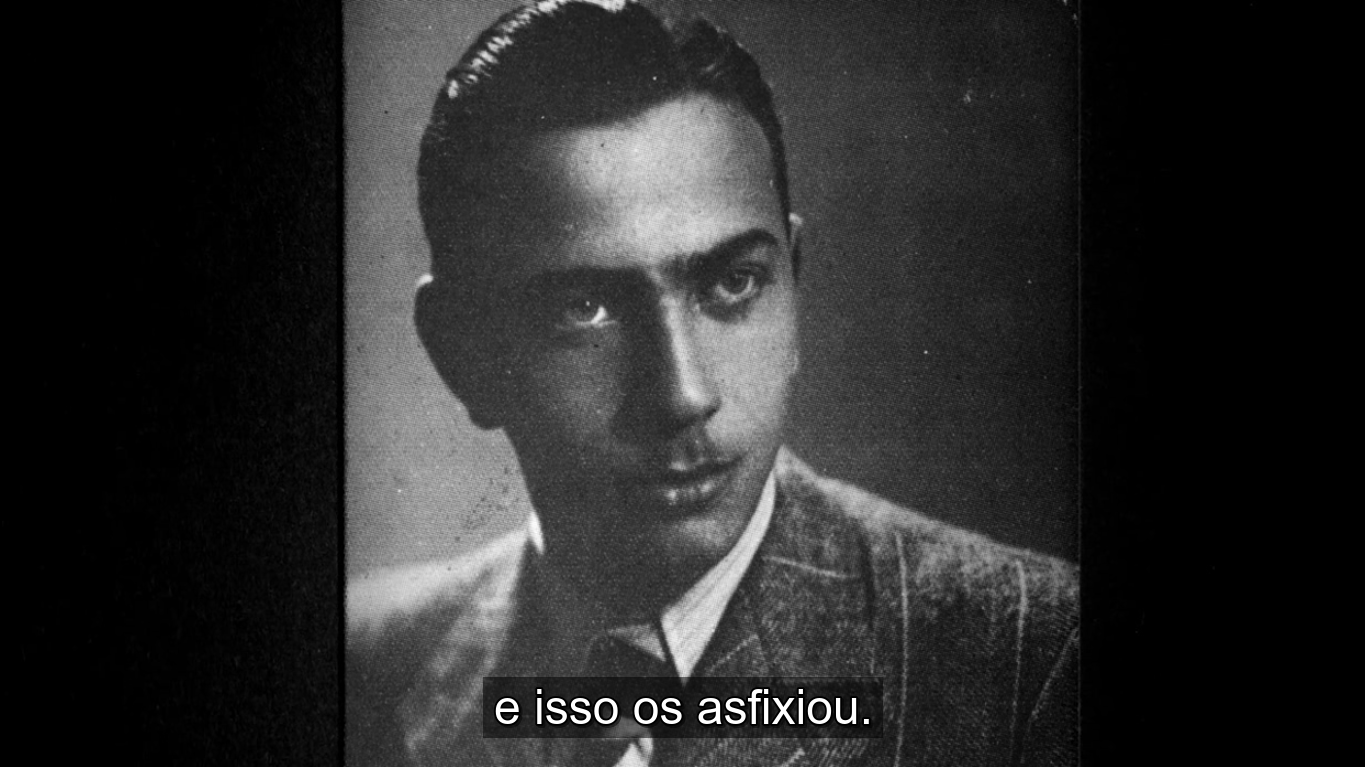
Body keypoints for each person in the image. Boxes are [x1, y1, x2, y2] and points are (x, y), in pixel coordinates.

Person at [346, 1, 1078, 765]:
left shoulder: (1036, 660)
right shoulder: (365, 662)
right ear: (458, 351)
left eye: (732, 283)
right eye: (584, 308)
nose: (683, 395)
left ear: (794, 281)